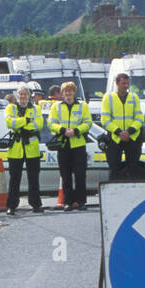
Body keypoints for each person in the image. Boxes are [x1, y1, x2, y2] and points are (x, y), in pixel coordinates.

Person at [48, 80, 91, 210]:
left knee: (80, 174)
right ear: (62, 93)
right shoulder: (56, 107)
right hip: (63, 144)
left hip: (78, 144)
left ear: (74, 92)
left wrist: (76, 131)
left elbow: (88, 122)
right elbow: (51, 123)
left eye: (70, 91)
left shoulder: (82, 106)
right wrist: (63, 130)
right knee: (65, 175)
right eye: (66, 91)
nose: (68, 93)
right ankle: (68, 202)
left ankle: (81, 201)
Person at [4, 85, 43, 214]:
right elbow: (10, 123)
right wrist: (27, 120)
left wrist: (21, 124)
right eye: (20, 94)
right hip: (16, 149)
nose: (22, 96)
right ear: (17, 95)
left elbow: (39, 125)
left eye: (25, 94)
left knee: (34, 178)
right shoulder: (11, 107)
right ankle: (11, 206)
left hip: (32, 149)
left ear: (29, 96)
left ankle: (36, 204)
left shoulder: (36, 108)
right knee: (14, 179)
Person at [101, 72, 143, 180]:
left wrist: (129, 131)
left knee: (133, 169)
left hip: (132, 137)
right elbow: (105, 119)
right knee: (114, 169)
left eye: (127, 83)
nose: (126, 86)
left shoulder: (134, 97)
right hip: (115, 138)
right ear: (117, 83)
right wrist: (119, 132)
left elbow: (139, 118)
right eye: (123, 83)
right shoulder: (108, 97)